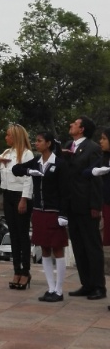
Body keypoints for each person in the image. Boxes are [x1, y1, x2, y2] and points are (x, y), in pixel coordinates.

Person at [12, 131, 68, 302]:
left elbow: (65, 192)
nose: (36, 144)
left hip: (54, 212)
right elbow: (16, 168)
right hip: (38, 211)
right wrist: (29, 171)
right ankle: (50, 288)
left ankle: (58, 290)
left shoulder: (59, 164)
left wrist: (63, 214)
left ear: (49, 143)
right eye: (36, 141)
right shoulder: (36, 162)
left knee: (57, 249)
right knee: (43, 248)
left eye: (39, 141)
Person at [63, 116, 106, 300]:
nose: (71, 124)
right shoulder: (67, 146)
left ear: (82, 129)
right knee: (78, 246)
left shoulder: (93, 148)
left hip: (87, 204)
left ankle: (98, 286)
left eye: (75, 123)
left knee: (92, 246)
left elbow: (96, 179)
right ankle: (86, 283)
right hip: (71, 203)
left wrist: (95, 205)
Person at [0, 123, 34, 290]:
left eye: (8, 135)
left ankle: (25, 271)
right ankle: (16, 270)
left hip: (20, 196)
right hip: (7, 194)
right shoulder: (7, 152)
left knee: (22, 235)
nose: (5, 138)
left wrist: (24, 199)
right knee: (13, 234)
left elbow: (29, 179)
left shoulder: (27, 154)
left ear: (15, 137)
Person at [90, 127, 110, 247]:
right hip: (106, 204)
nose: (100, 141)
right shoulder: (103, 159)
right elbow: (86, 172)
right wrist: (96, 171)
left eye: (104, 139)